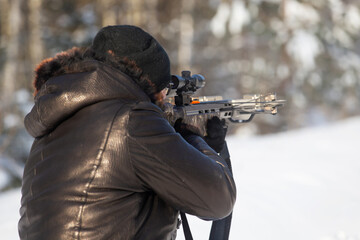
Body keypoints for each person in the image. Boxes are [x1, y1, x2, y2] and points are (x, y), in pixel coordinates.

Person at [19, 25, 236, 240]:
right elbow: (218, 200)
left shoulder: (52, 125)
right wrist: (193, 138)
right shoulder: (132, 120)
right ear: (145, 84)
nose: (164, 98)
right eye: (161, 92)